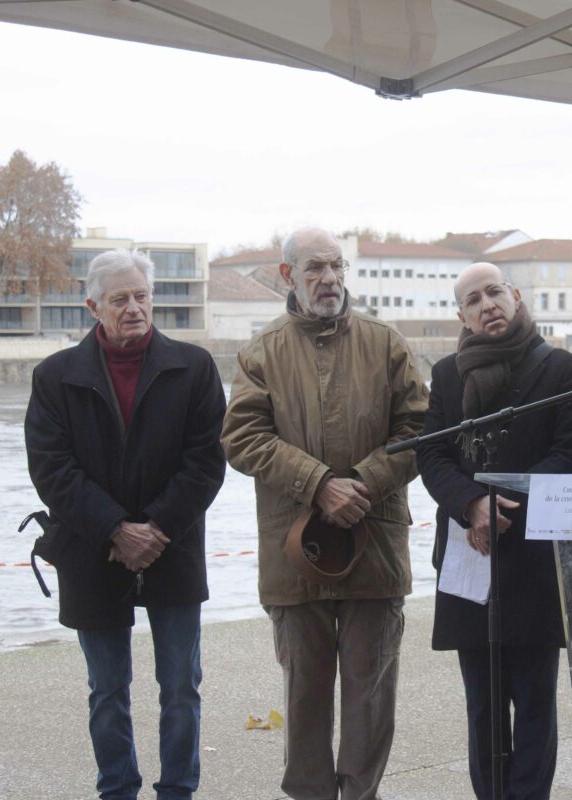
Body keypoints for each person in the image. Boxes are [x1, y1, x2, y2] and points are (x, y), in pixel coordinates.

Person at [221, 227, 427, 800]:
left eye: (336, 266)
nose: (330, 279)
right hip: (294, 553)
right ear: (288, 276)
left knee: (370, 696)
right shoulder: (261, 351)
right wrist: (317, 484)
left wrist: (361, 483)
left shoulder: (386, 343)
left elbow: (419, 430)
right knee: (304, 695)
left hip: (375, 547)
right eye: (315, 268)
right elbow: (241, 437)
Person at [25, 249, 226, 800]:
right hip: (91, 551)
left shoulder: (194, 367)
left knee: (182, 685)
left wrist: (155, 529)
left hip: (175, 546)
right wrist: (114, 528)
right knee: (107, 688)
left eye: (141, 296)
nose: (134, 307)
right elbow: (50, 468)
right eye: (120, 299)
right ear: (93, 306)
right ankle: (117, 788)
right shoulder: (55, 377)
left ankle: (178, 789)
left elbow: (207, 461)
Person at [416, 262, 572, 800]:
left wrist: (509, 501)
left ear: (514, 296)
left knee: (536, 701)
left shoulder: (561, 367)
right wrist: (471, 504)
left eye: (494, 292)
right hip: (471, 551)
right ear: (461, 314)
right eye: (473, 299)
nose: (486, 304)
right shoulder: (446, 374)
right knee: (483, 706)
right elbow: (433, 452)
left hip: (535, 553)